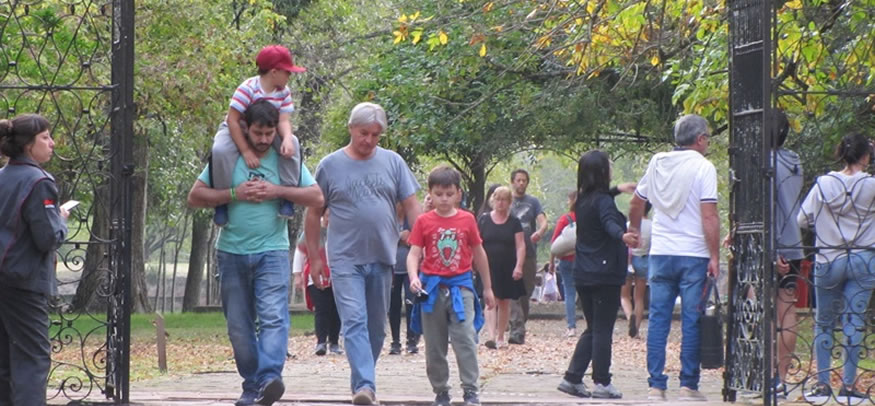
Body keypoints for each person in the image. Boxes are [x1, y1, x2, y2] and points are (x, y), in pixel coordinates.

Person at [187, 100, 324, 406]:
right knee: (238, 325)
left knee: (274, 317)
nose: (263, 140)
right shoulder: (226, 158)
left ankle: (269, 379)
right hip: (231, 252)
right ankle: (252, 385)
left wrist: (278, 191)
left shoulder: (286, 160)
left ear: (277, 130)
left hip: (272, 252)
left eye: (269, 133)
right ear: (245, 128)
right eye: (258, 133)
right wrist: (235, 193)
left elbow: (316, 196)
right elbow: (195, 196)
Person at [304, 102, 421, 405]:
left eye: (375, 135)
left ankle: (362, 382)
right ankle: (366, 386)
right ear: (351, 129)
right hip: (344, 258)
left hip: (383, 258)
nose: (369, 140)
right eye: (363, 133)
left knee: (376, 329)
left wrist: (421, 246)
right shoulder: (330, 165)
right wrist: (315, 257)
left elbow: (412, 206)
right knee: (354, 321)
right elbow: (313, 212)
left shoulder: (393, 162)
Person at [627, 114, 719, 402]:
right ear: (700, 139)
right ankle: (688, 386)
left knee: (658, 319)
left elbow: (636, 202)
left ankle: (656, 385)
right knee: (691, 319)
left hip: (661, 253)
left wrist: (634, 230)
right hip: (693, 254)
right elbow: (709, 215)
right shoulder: (704, 167)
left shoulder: (658, 163)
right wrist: (714, 254)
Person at [407, 164, 495, 406]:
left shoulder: (467, 220)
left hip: (461, 287)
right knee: (434, 345)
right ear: (430, 193)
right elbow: (414, 253)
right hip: (431, 289)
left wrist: (487, 288)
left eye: (449, 194)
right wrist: (414, 277)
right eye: (438, 194)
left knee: (465, 339)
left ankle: (471, 390)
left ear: (458, 193)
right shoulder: (424, 222)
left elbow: (479, 253)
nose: (444, 199)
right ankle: (441, 391)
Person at [797, 133, 875, 400]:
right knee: (854, 320)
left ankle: (821, 384)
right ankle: (849, 388)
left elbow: (802, 219)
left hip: (829, 258)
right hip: (863, 258)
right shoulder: (872, 186)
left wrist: (826, 225)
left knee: (824, 322)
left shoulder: (823, 185)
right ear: (866, 156)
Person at [556, 150, 638, 400]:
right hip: (604, 274)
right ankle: (602, 382)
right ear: (602, 172)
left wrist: (617, 189)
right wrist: (622, 235)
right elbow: (608, 222)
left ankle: (572, 378)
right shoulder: (602, 202)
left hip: (584, 272)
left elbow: (600, 200)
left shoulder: (582, 200)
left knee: (593, 328)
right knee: (603, 329)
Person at [0, 114, 69, 406]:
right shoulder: (38, 181)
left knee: (4, 359)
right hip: (24, 281)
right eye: (45, 137)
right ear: (29, 145)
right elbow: (47, 237)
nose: (52, 143)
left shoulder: (3, 176)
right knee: (32, 358)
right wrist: (61, 219)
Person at [211, 44, 306, 226]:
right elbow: (232, 120)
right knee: (220, 150)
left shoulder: (283, 92)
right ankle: (221, 201)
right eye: (287, 72)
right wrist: (245, 150)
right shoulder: (247, 88)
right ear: (274, 72)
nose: (289, 76)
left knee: (293, 144)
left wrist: (286, 138)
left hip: (269, 129)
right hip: (238, 127)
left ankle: (287, 195)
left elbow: (284, 120)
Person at [478, 186, 526, 349]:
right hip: (488, 266)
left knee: (504, 302)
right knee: (490, 300)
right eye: (497, 199)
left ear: (509, 202)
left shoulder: (514, 222)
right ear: (492, 200)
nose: (500, 203)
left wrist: (519, 266)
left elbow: (520, 245)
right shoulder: (484, 220)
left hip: (508, 266)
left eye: (504, 199)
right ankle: (490, 335)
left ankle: (500, 336)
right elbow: (477, 244)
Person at [293, 209, 343, 357]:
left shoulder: (341, 231)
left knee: (336, 310)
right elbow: (300, 253)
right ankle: (321, 341)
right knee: (321, 310)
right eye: (328, 216)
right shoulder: (312, 231)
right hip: (315, 277)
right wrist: (297, 275)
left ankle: (334, 342)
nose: (329, 220)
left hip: (337, 277)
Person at [507, 169, 548, 345]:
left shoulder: (533, 202)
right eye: (518, 180)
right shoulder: (506, 201)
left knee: (526, 291)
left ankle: (520, 325)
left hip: (529, 252)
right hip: (509, 252)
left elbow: (544, 222)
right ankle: (516, 328)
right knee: (512, 291)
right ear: (512, 182)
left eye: (524, 180)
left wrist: (540, 231)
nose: (521, 183)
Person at [388, 203, 420, 355]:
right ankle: (395, 341)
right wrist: (399, 237)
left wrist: (407, 239)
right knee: (393, 305)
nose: (399, 206)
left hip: (410, 270)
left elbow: (418, 241)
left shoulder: (412, 220)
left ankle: (411, 339)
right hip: (393, 268)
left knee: (410, 302)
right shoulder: (389, 220)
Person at [549, 190, 579, 337]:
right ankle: (592, 324)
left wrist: (551, 263)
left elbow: (554, 243)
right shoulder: (588, 218)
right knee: (586, 293)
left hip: (566, 262)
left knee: (569, 293)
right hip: (584, 262)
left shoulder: (565, 219)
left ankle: (571, 327)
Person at [621, 201, 651, 338]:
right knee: (639, 297)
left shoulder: (628, 226)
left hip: (628, 261)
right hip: (644, 260)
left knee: (624, 296)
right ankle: (636, 330)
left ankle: (629, 318)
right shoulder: (652, 226)